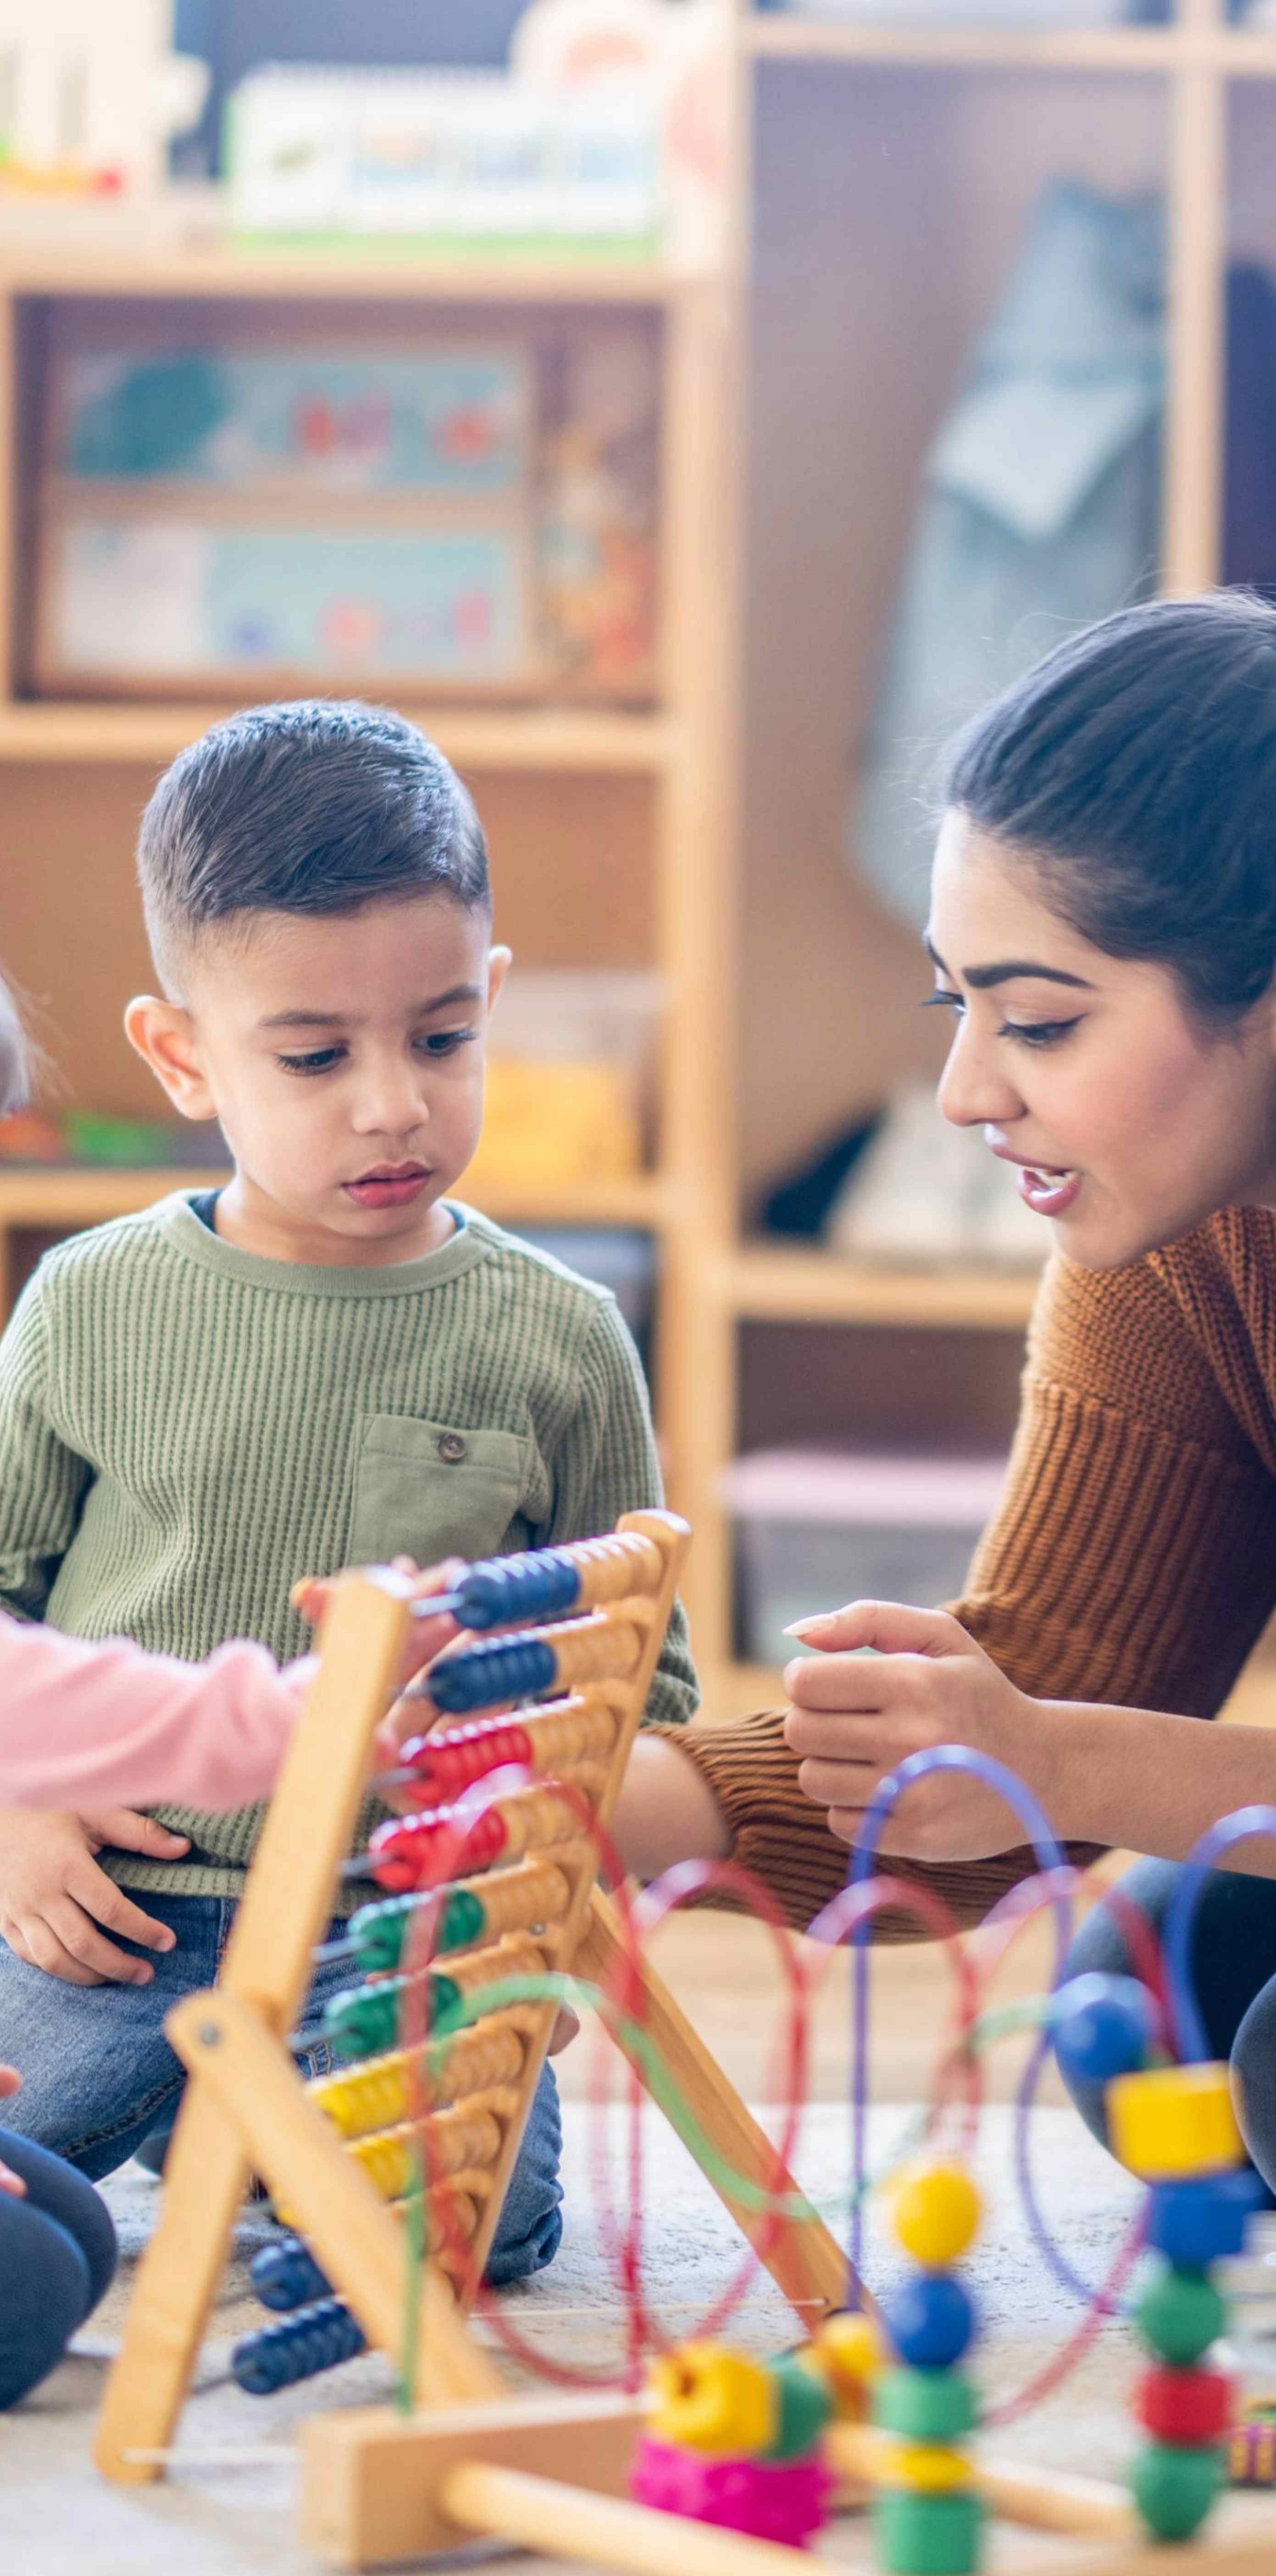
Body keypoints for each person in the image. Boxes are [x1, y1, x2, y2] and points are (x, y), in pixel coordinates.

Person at [613, 560, 1276, 2273]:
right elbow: (1048, 1689)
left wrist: (1055, 1756)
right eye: (957, 1004)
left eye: (1040, 1019)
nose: (972, 1092)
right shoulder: (1167, 1211)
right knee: (1148, 1993)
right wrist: (585, 1813)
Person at [0, 701, 696, 2286]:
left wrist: (508, 1843)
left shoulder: (563, 1341)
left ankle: (240, 2139)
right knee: (23, 2214)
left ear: (491, 1004)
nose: (391, 1103)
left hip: (395, 1932)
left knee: (471, 2236)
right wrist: (17, 1810)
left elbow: (644, 1678)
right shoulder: (87, 1304)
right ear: (181, 1055)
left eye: (442, 1040)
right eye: (314, 1056)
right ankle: (193, 2127)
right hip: (110, 1904)